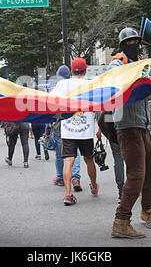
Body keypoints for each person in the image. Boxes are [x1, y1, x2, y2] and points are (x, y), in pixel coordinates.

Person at [108, 27, 151, 238]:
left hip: (143, 124)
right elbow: (118, 84)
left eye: (136, 42)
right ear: (122, 46)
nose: (134, 45)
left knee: (150, 171)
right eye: (129, 43)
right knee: (136, 174)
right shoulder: (117, 64)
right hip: (126, 125)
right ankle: (121, 220)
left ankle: (147, 210)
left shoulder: (142, 62)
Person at [50, 58, 99, 206]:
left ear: (72, 71)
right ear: (85, 70)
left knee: (68, 161)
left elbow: (51, 100)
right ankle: (93, 185)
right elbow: (99, 105)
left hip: (68, 129)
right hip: (86, 130)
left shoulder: (62, 84)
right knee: (89, 159)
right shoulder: (91, 84)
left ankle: (68, 194)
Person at [47, 65, 82, 191]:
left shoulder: (55, 87)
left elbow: (48, 107)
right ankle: (76, 177)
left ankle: (61, 177)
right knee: (75, 150)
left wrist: (47, 129)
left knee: (59, 151)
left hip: (58, 123)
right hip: (73, 121)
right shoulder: (75, 86)